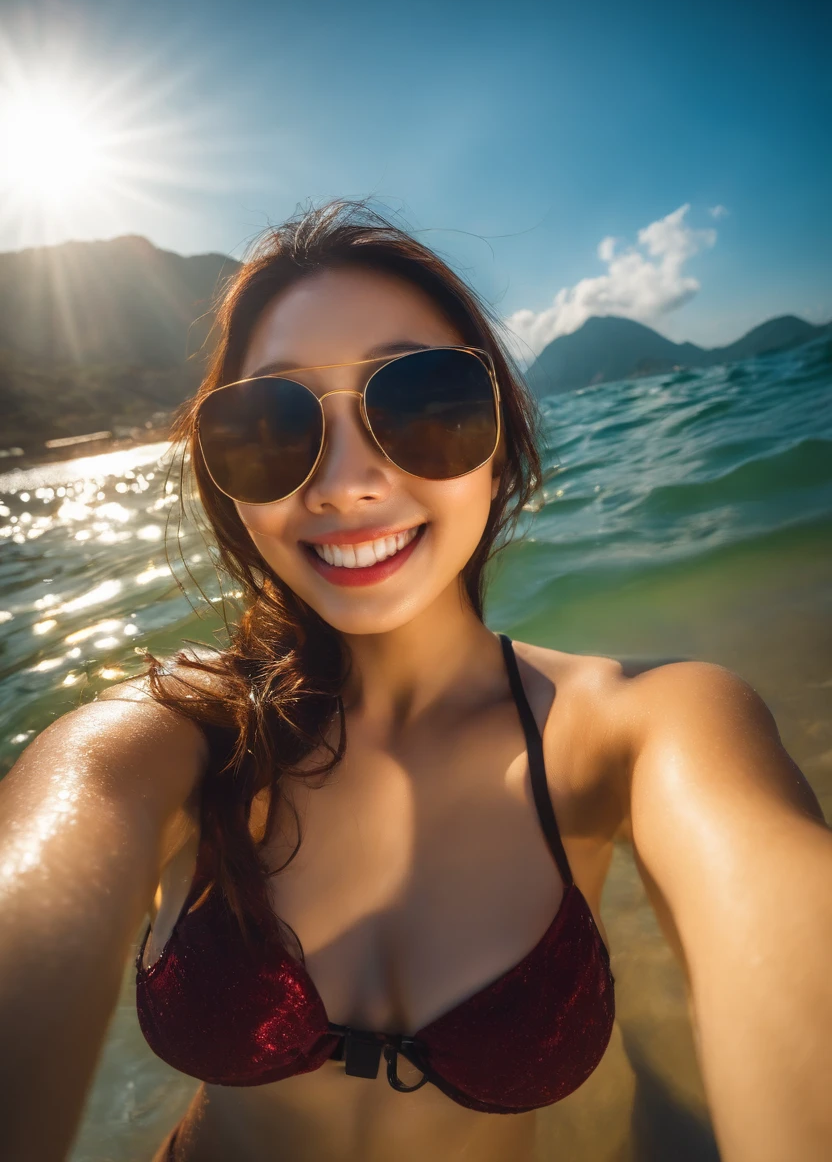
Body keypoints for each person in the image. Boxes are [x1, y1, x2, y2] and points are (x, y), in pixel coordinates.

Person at [1, 202, 829, 1162]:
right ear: (222, 476)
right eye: (270, 423)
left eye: (425, 401)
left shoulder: (645, 726)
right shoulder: (178, 737)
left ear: (502, 435)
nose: (348, 483)